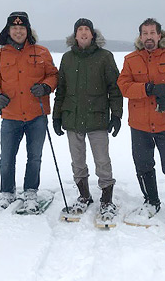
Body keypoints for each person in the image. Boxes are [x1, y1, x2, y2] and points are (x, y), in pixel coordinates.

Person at [117, 18, 165, 229]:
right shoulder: (131, 59)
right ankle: (151, 202)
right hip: (139, 124)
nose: (149, 37)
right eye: (145, 33)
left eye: (152, 33)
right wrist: (148, 89)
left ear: (160, 35)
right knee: (143, 165)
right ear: (140, 37)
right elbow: (124, 86)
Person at [0, 12, 58, 213]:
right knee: (7, 158)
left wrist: (45, 87)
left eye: (22, 28)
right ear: (8, 30)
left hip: (37, 115)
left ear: (28, 30)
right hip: (10, 115)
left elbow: (53, 75)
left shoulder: (41, 52)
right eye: (14, 28)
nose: (18, 31)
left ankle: (31, 191)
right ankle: (7, 192)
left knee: (34, 157)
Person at [52, 18, 123, 221]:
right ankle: (84, 195)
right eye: (79, 30)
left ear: (93, 35)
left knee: (102, 160)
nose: (83, 33)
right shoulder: (67, 59)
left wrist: (116, 115)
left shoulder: (105, 57)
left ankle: (107, 199)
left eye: (87, 30)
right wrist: (57, 116)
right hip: (72, 119)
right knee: (77, 161)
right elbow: (61, 90)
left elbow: (115, 89)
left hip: (98, 118)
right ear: (75, 35)